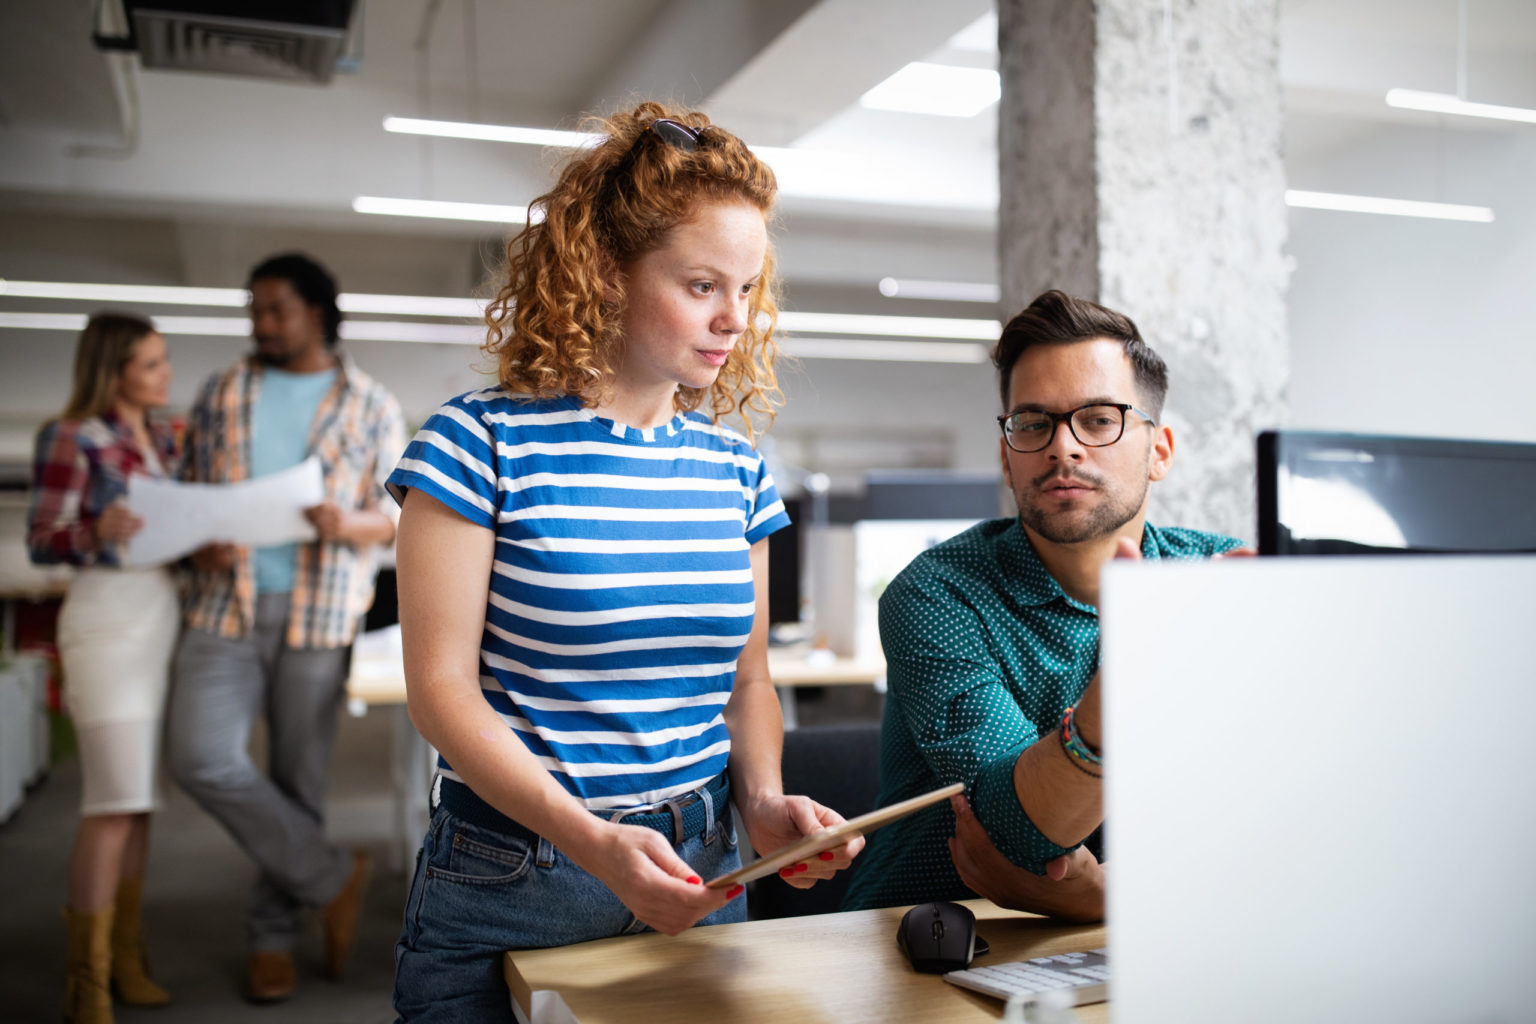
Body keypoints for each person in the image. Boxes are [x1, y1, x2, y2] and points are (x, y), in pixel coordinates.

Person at [387, 101, 862, 1023]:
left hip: (703, 860)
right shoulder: (478, 444)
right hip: (521, 870)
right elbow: (441, 695)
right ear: (606, 272)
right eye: (700, 285)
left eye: (748, 289)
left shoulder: (737, 472)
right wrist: (595, 841)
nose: (733, 319)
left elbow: (748, 682)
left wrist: (761, 802)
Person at [841, 290, 1250, 920]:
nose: (1063, 446)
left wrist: (1107, 902)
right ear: (1007, 456)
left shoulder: (1220, 579)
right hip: (929, 943)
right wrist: (1120, 698)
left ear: (1159, 450)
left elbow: (1270, 819)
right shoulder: (936, 594)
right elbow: (1021, 834)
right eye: (1033, 424)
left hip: (1138, 939)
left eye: (1098, 418)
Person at [165, 252, 405, 1003]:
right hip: (222, 603)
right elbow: (186, 493)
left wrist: (350, 521)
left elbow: (401, 521)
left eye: (276, 310)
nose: (261, 324)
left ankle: (272, 938)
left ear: (316, 312)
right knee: (199, 754)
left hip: (321, 608)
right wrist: (195, 534)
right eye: (255, 311)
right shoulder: (224, 391)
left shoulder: (371, 403)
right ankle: (333, 878)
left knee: (297, 779)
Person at [27, 312, 179, 1024]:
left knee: (140, 803)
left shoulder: (163, 439)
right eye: (151, 364)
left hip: (161, 618)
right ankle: (84, 983)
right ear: (113, 370)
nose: (165, 374)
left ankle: (124, 956)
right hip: (107, 622)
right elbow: (44, 538)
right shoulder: (72, 436)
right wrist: (96, 529)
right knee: (110, 802)